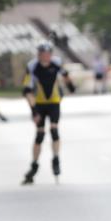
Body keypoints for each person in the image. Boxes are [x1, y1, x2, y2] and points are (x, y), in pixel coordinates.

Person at [21, 43, 75, 185]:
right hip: (39, 104)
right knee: (39, 135)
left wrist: (70, 86)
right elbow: (26, 90)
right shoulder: (32, 66)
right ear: (38, 55)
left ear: (50, 54)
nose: (44, 57)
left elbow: (65, 74)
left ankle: (56, 159)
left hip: (54, 102)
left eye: (47, 54)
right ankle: (34, 165)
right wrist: (34, 111)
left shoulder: (56, 63)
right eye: (41, 54)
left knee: (54, 130)